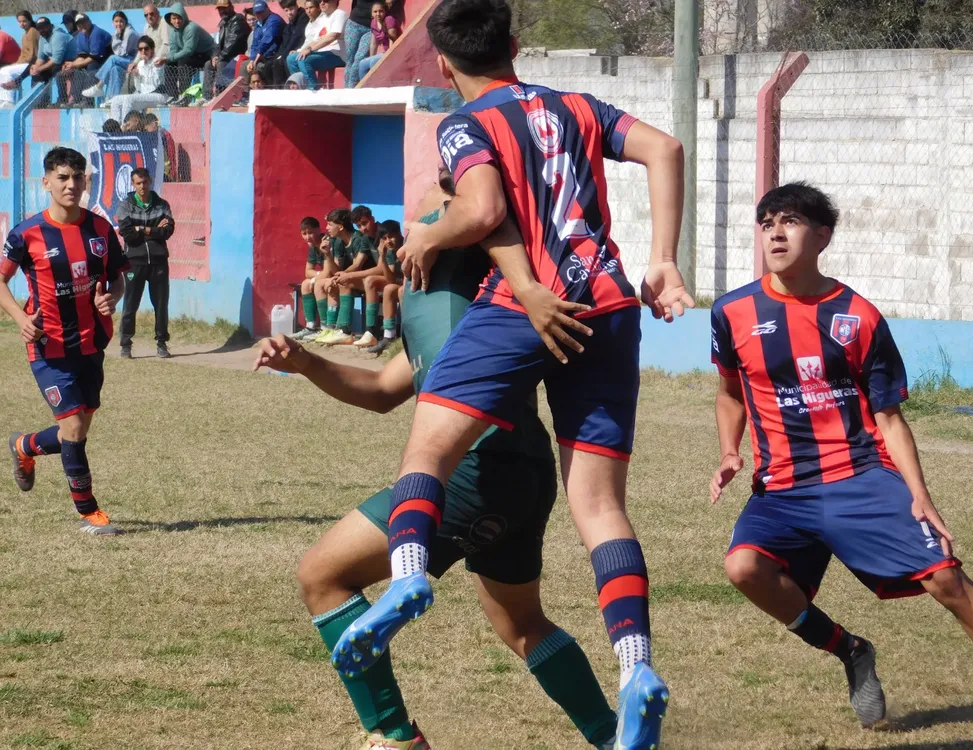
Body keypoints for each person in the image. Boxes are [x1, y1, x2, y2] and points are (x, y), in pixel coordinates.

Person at [334, 2, 693, 748]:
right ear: (517, 46)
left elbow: (483, 208)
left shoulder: (464, 125)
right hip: (609, 304)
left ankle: (406, 578)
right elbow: (665, 147)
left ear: (441, 64)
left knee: (427, 453)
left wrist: (430, 233)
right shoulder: (577, 105)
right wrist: (662, 258)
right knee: (598, 507)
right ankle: (636, 666)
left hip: (521, 308)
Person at [254, 177, 620, 750]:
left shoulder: (479, 267)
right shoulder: (422, 295)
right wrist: (305, 362)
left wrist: (455, 214)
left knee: (323, 576)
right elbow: (383, 389)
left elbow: (490, 211)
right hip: (515, 469)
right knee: (520, 624)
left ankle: (395, 735)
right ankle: (615, 738)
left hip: (477, 466)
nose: (419, 212)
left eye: (435, 202)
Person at [709, 182, 973, 728]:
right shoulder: (732, 311)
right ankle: (850, 651)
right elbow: (729, 391)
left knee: (946, 580)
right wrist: (730, 450)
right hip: (783, 489)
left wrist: (920, 495)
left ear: (822, 236)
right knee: (743, 567)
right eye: (766, 221)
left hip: (859, 476)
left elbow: (889, 416)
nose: (775, 230)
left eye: (790, 221)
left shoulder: (858, 316)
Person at [0, 147, 128, 536]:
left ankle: (24, 446)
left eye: (77, 178)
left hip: (92, 343)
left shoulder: (101, 230)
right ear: (46, 182)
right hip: (47, 347)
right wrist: (21, 318)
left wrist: (113, 297)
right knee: (72, 428)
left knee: (78, 429)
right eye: (62, 177)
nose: (71, 185)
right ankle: (88, 511)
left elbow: (118, 278)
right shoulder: (26, 233)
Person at [116, 167, 174, 360]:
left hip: (158, 262)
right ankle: (126, 344)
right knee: (131, 304)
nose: (142, 186)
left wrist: (140, 228)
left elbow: (167, 231)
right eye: (138, 183)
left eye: (145, 182)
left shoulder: (162, 205)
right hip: (134, 262)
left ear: (150, 182)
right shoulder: (125, 206)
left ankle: (162, 343)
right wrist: (152, 229)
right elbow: (128, 235)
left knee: (161, 304)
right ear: (133, 185)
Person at [314, 207, 379, 345]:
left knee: (342, 282)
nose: (326, 228)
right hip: (358, 278)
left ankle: (344, 330)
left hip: (368, 279)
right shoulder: (337, 242)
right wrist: (328, 255)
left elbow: (357, 265)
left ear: (341, 226)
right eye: (359, 225)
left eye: (330, 224)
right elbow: (335, 268)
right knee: (323, 283)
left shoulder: (359, 239)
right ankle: (329, 328)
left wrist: (341, 276)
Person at [354, 218, 403, 349]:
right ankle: (373, 331)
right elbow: (390, 278)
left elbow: (394, 280)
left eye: (391, 237)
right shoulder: (389, 250)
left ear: (399, 233)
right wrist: (382, 257)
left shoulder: (405, 246)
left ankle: (399, 334)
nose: (388, 241)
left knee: (389, 289)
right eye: (385, 238)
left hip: (413, 284)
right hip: (399, 283)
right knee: (372, 281)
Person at [286, 0, 347, 90]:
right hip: (322, 53)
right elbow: (316, 40)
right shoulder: (324, 18)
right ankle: (300, 87)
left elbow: (333, 36)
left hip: (337, 54)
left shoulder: (339, 14)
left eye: (325, 1)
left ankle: (313, 89)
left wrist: (310, 49)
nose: (322, 3)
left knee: (304, 60)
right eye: (320, 1)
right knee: (291, 59)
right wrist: (300, 50)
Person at [289, 216, 332, 341]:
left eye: (311, 232)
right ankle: (311, 327)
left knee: (315, 284)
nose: (308, 237)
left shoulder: (326, 242)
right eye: (304, 234)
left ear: (319, 230)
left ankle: (325, 328)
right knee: (305, 283)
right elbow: (307, 272)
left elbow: (329, 272)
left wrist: (316, 279)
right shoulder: (313, 246)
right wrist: (317, 276)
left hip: (337, 276)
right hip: (324, 277)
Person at [108, 36, 169, 125]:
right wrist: (137, 76)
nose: (143, 51)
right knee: (116, 100)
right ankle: (115, 127)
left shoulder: (157, 61)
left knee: (129, 99)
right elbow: (139, 88)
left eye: (146, 48)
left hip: (158, 95)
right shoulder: (140, 63)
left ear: (152, 49)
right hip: (143, 95)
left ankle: (125, 127)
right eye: (140, 49)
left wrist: (157, 68)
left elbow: (156, 83)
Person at [160, 3, 216, 98]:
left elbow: (188, 50)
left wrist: (167, 58)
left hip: (208, 55)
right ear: (170, 20)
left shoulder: (191, 28)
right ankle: (172, 96)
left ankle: (184, 95)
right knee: (170, 64)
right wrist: (168, 59)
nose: (177, 21)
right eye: (174, 18)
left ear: (184, 17)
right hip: (193, 56)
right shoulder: (173, 31)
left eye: (179, 18)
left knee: (183, 60)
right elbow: (173, 50)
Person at [82, 11, 138, 100]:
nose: (118, 24)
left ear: (125, 22)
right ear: (112, 23)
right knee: (114, 69)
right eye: (116, 21)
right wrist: (117, 35)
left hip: (134, 61)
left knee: (112, 59)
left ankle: (99, 86)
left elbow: (120, 53)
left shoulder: (129, 33)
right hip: (125, 61)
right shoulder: (119, 33)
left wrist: (116, 36)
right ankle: (111, 99)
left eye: (121, 21)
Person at [58, 14, 112, 103]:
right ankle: (75, 99)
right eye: (79, 24)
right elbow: (82, 57)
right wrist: (70, 65)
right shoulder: (80, 36)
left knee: (90, 67)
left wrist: (74, 64)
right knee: (77, 69)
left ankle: (87, 101)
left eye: (84, 22)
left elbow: (94, 56)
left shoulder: (96, 33)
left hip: (106, 60)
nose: (82, 25)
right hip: (94, 60)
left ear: (89, 21)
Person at [203, 0, 250, 98]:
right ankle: (206, 97)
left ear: (231, 7)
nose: (222, 11)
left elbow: (232, 44)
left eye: (224, 8)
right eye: (220, 9)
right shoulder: (223, 23)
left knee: (221, 64)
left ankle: (221, 96)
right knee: (208, 64)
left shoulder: (238, 20)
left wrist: (219, 57)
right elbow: (219, 44)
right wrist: (215, 56)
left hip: (238, 56)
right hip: (227, 55)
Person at [21, 17, 75, 90]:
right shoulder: (43, 36)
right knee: (36, 72)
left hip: (73, 61)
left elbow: (56, 60)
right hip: (60, 62)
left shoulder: (58, 36)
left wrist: (39, 68)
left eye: (44, 27)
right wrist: (36, 68)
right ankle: (41, 100)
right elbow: (41, 57)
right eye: (39, 28)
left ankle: (63, 99)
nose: (42, 30)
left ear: (50, 25)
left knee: (54, 70)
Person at [0, 11, 40, 107]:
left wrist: (16, 64)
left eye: (24, 21)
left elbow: (32, 55)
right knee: (4, 70)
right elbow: (23, 54)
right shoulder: (25, 34)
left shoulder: (32, 32)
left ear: (30, 20)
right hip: (23, 63)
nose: (22, 24)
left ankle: (9, 101)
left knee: (5, 71)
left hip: (32, 63)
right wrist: (17, 63)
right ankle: (3, 99)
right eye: (19, 21)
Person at [246, 0, 286, 86]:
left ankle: (271, 90)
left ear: (267, 9)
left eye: (261, 12)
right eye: (257, 13)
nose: (259, 15)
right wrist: (252, 60)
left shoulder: (274, 20)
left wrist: (258, 55)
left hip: (277, 53)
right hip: (265, 56)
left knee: (266, 66)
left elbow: (268, 38)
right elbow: (255, 43)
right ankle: (246, 94)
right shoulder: (258, 24)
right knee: (244, 66)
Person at [356, 0, 397, 82]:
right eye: (375, 12)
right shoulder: (373, 23)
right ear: (371, 13)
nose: (378, 14)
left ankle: (375, 84)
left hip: (393, 51)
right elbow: (373, 44)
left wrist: (390, 56)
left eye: (381, 11)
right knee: (362, 63)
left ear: (385, 12)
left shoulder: (389, 20)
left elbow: (393, 39)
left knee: (374, 62)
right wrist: (371, 57)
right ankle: (365, 87)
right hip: (384, 53)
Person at [275, 0, 307, 81]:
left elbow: (297, 37)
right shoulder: (290, 23)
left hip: (301, 48)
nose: (289, 12)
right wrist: (280, 55)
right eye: (286, 10)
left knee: (286, 60)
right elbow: (285, 41)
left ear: (296, 7)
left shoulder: (303, 17)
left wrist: (284, 55)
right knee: (273, 64)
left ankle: (293, 86)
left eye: (291, 9)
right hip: (291, 50)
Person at [131, 5, 171, 69]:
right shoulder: (146, 27)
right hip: (152, 61)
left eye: (151, 14)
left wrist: (155, 60)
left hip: (163, 60)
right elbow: (142, 46)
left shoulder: (164, 22)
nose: (149, 17)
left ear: (158, 13)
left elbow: (166, 44)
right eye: (146, 15)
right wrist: (135, 62)